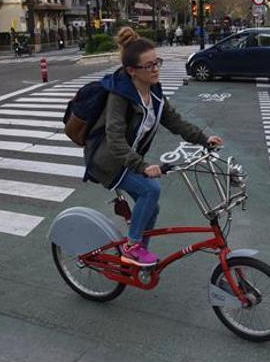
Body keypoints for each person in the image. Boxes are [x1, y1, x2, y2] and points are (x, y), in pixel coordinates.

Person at [84, 27, 223, 267]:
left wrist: (203, 138)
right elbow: (115, 139)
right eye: (148, 66)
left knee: (151, 208)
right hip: (109, 161)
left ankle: (136, 259)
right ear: (131, 71)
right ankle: (132, 247)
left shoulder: (154, 90)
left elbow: (173, 120)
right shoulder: (119, 95)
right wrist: (143, 166)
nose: (156, 68)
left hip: (128, 159)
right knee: (151, 191)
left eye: (157, 62)